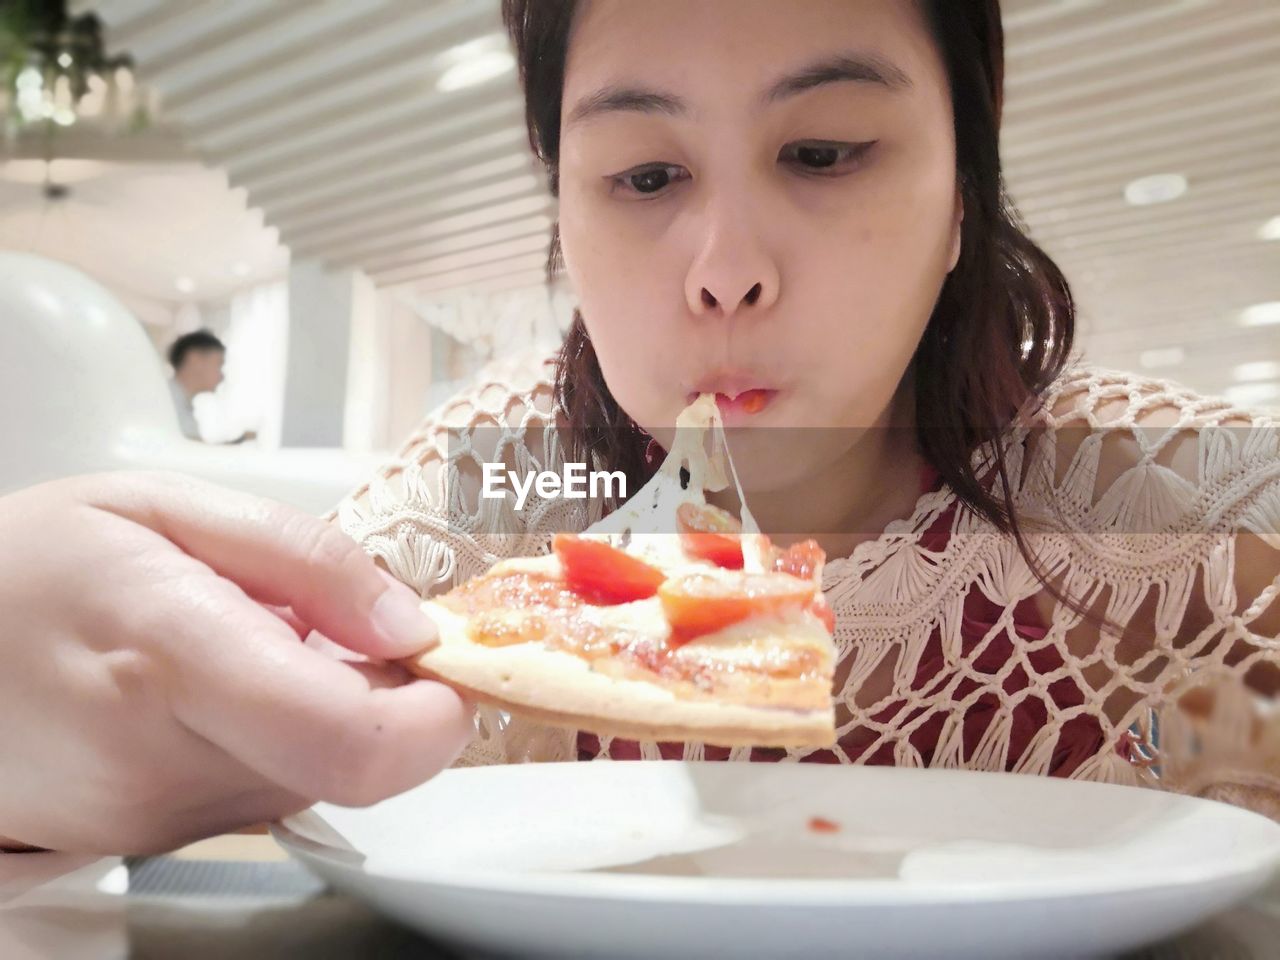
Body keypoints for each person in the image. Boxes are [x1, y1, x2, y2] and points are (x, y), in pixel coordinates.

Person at [0, 0, 1276, 856]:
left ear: (960, 195)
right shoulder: (473, 518)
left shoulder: (1189, 529)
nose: (723, 271)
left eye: (823, 152)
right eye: (646, 177)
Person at [167, 329, 256, 444]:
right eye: (219, 365)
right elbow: (187, 451)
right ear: (195, 360)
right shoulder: (167, 400)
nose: (222, 376)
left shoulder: (178, 401)